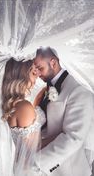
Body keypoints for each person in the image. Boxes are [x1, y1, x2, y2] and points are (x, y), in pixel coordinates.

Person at [34, 46, 94, 176]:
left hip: (69, 171)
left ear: (53, 62)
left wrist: (37, 164)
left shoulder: (79, 92)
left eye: (40, 68)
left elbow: (73, 138)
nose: (37, 73)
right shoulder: (44, 92)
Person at [1, 58, 46, 175]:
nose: (38, 74)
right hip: (27, 169)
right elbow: (32, 151)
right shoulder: (24, 107)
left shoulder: (12, 104)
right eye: (33, 72)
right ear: (21, 77)